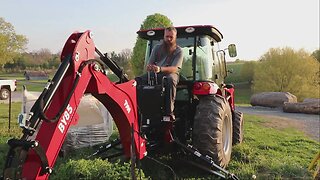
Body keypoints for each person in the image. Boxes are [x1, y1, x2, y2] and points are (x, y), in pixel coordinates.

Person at [138, 26, 183, 120]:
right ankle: (138, 108)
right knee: (138, 80)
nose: (169, 39)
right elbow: (149, 64)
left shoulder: (179, 51)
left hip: (170, 74)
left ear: (175, 37)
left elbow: (175, 68)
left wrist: (160, 69)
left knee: (169, 79)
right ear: (164, 36)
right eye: (167, 36)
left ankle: (169, 112)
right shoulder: (157, 48)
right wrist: (150, 67)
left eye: (171, 37)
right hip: (156, 74)